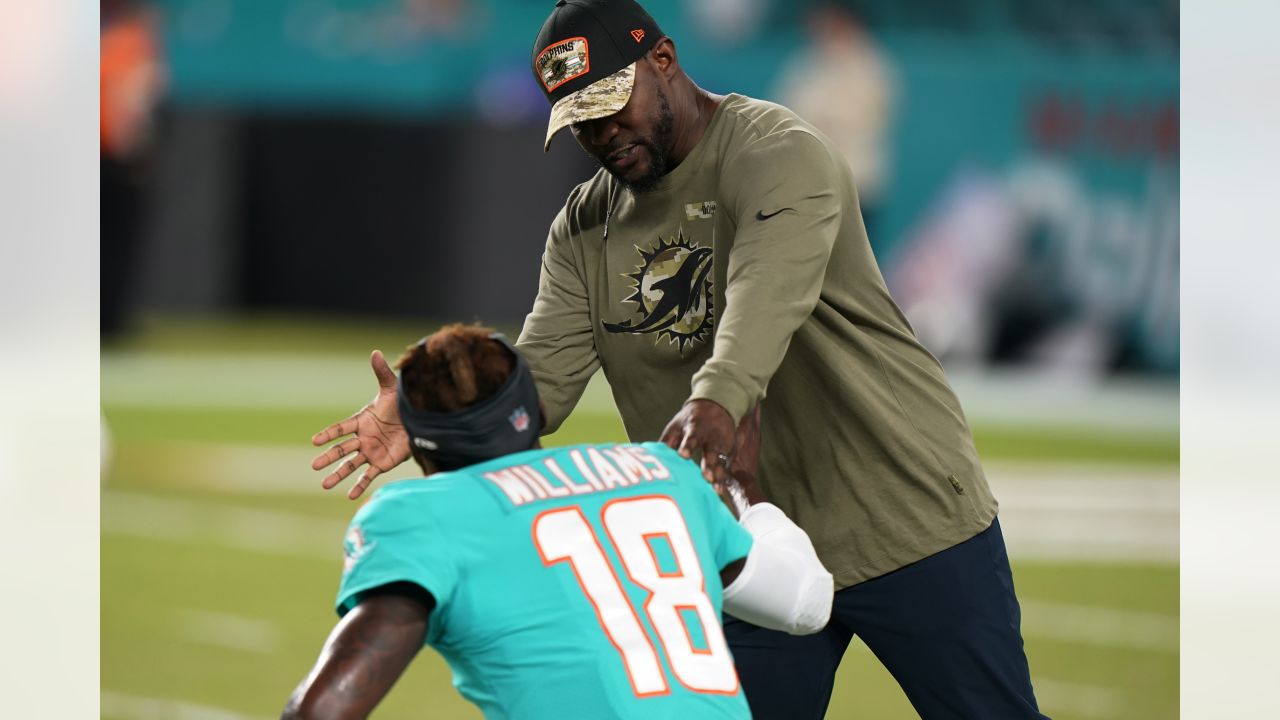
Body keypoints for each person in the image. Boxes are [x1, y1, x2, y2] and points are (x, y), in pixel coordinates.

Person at [312, 1, 1047, 717]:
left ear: (663, 60)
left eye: (611, 103)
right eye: (579, 120)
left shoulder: (778, 152)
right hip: (747, 546)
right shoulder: (585, 226)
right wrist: (437, 415)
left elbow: (765, 296)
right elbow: (538, 387)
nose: (601, 132)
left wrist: (713, 403)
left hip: (902, 511)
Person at [286, 324, 833, 719]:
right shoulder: (662, 473)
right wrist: (743, 486)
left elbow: (325, 711)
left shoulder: (423, 515)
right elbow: (808, 602)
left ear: (418, 436)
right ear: (533, 406)